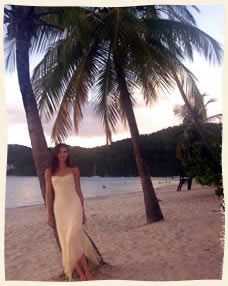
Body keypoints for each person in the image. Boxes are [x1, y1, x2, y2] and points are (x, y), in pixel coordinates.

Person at [45, 143, 100, 281]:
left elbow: (79, 191)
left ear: (68, 154)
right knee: (68, 242)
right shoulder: (49, 172)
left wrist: (83, 211)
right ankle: (82, 274)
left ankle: (87, 273)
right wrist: (49, 214)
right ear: (56, 154)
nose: (63, 154)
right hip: (60, 209)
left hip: (74, 206)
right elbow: (48, 194)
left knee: (72, 238)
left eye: (65, 151)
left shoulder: (74, 169)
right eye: (60, 152)